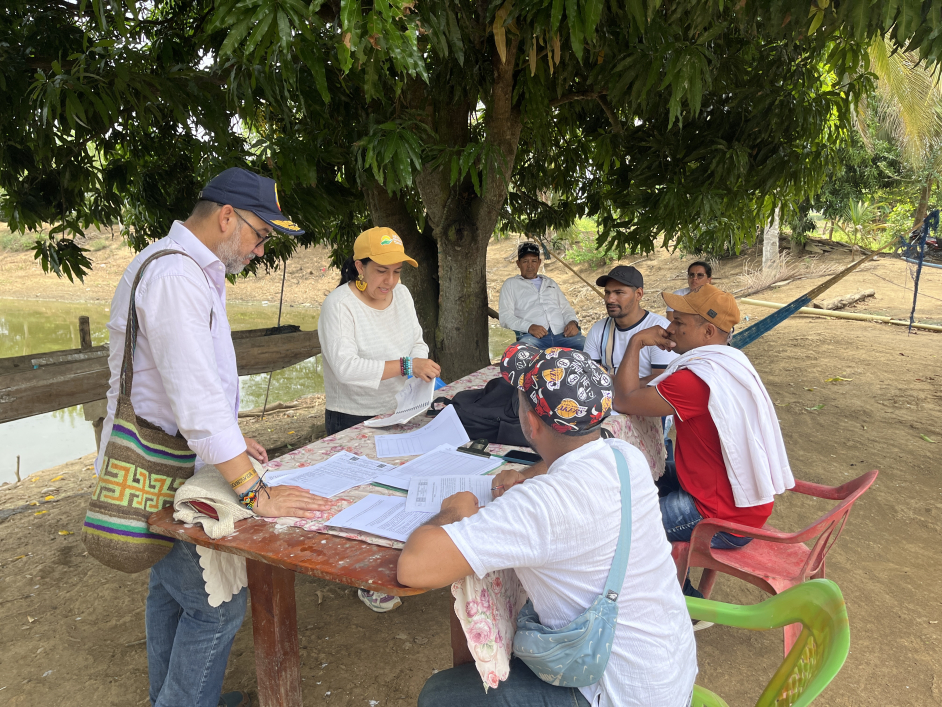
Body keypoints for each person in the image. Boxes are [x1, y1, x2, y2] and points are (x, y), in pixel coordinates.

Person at [95, 167, 330, 707]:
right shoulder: (176, 277)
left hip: (169, 455)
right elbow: (196, 402)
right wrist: (256, 491)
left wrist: (233, 438)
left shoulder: (185, 269)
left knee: (171, 591)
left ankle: (170, 698)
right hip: (162, 467)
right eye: (259, 234)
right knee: (214, 607)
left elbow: (193, 386)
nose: (258, 249)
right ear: (227, 216)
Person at [399, 344, 697, 707]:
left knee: (441, 695)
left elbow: (415, 567)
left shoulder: (541, 505)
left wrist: (453, 510)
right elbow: (567, 462)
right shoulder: (624, 456)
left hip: (616, 695)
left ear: (530, 422)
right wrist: (524, 473)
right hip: (667, 673)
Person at [611, 285, 794, 596]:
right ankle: (670, 576)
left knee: (618, 528)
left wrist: (637, 341)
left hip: (718, 517)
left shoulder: (694, 379)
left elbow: (624, 399)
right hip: (745, 504)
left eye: (680, 323)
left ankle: (685, 601)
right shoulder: (729, 363)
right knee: (645, 472)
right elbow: (641, 387)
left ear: (708, 331)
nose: (670, 329)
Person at [318, 225, 440, 612]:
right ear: (360, 266)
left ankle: (397, 565)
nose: (389, 281)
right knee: (360, 498)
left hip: (402, 406)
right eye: (380, 271)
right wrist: (407, 364)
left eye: (397, 271)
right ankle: (367, 578)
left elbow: (417, 340)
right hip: (352, 416)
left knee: (398, 491)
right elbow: (345, 367)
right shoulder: (339, 305)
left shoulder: (401, 295)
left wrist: (420, 366)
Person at [584, 265, 677, 381]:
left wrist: (615, 383)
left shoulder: (660, 328)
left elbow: (662, 380)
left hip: (644, 396)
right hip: (606, 396)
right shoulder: (599, 329)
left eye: (619, 292)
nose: (610, 299)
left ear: (639, 294)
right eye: (607, 292)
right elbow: (588, 373)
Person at [498, 242, 584, 350]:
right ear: (518, 263)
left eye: (534, 261)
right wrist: (529, 327)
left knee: (591, 350)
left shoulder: (550, 283)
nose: (530, 265)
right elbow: (505, 317)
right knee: (521, 355)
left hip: (563, 335)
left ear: (539, 262)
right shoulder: (510, 284)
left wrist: (572, 322)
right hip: (532, 337)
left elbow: (566, 309)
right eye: (525, 261)